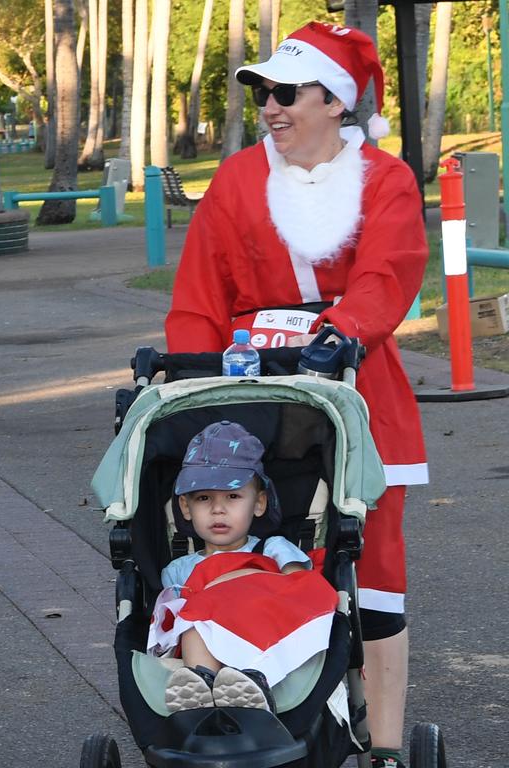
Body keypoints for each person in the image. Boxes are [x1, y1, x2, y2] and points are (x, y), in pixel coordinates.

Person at [164, 22, 427, 768]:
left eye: (285, 94)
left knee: (370, 557)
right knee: (239, 530)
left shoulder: (387, 179)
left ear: (334, 103)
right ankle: (236, 684)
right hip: (243, 381)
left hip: (354, 380)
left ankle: (382, 740)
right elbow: (198, 290)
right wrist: (185, 370)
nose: (270, 108)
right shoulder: (241, 177)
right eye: (264, 95)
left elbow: (389, 271)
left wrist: (344, 331)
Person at [148, 421, 338, 714]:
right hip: (208, 646)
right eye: (203, 498)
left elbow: (300, 587)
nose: (218, 509)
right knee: (193, 623)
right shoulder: (178, 569)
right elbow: (169, 625)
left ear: (259, 503)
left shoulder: (273, 548)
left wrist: (244, 577)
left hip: (262, 630)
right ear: (185, 508)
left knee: (214, 607)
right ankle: (201, 688)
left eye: (233, 496)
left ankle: (249, 680)